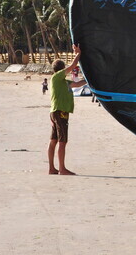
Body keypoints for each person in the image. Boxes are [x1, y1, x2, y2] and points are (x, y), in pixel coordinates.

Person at [48, 45, 85, 175]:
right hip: (60, 112)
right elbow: (73, 65)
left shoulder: (64, 82)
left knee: (54, 140)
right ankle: (62, 169)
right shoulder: (57, 77)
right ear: (61, 69)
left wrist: (90, 79)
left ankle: (52, 168)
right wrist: (78, 53)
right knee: (62, 141)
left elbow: (79, 84)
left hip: (56, 112)